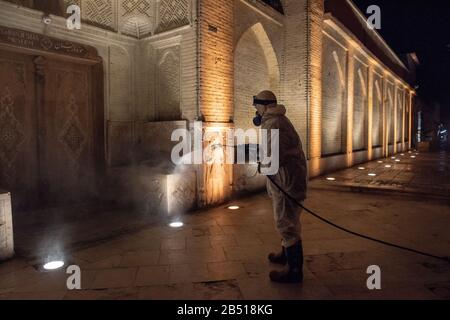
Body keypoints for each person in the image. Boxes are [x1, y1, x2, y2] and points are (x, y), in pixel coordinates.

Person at [252, 90, 308, 283]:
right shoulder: (277, 121)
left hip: (286, 181)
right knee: (288, 219)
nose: (256, 111)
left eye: (257, 107)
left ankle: (294, 270)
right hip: (288, 178)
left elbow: (274, 157)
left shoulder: (273, 123)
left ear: (265, 105)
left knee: (286, 223)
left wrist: (255, 158)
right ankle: (286, 255)